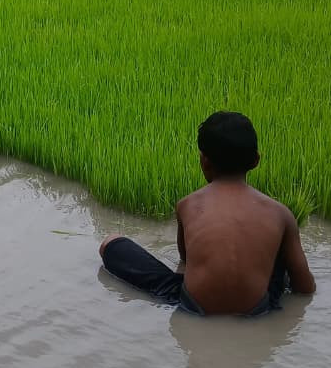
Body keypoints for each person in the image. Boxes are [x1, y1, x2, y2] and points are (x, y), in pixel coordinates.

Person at [98, 111, 315, 317]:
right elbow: (305, 288)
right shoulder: (280, 213)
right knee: (280, 256)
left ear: (204, 161)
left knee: (111, 242)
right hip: (257, 310)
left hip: (193, 305)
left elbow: (185, 261)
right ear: (256, 160)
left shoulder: (188, 204)